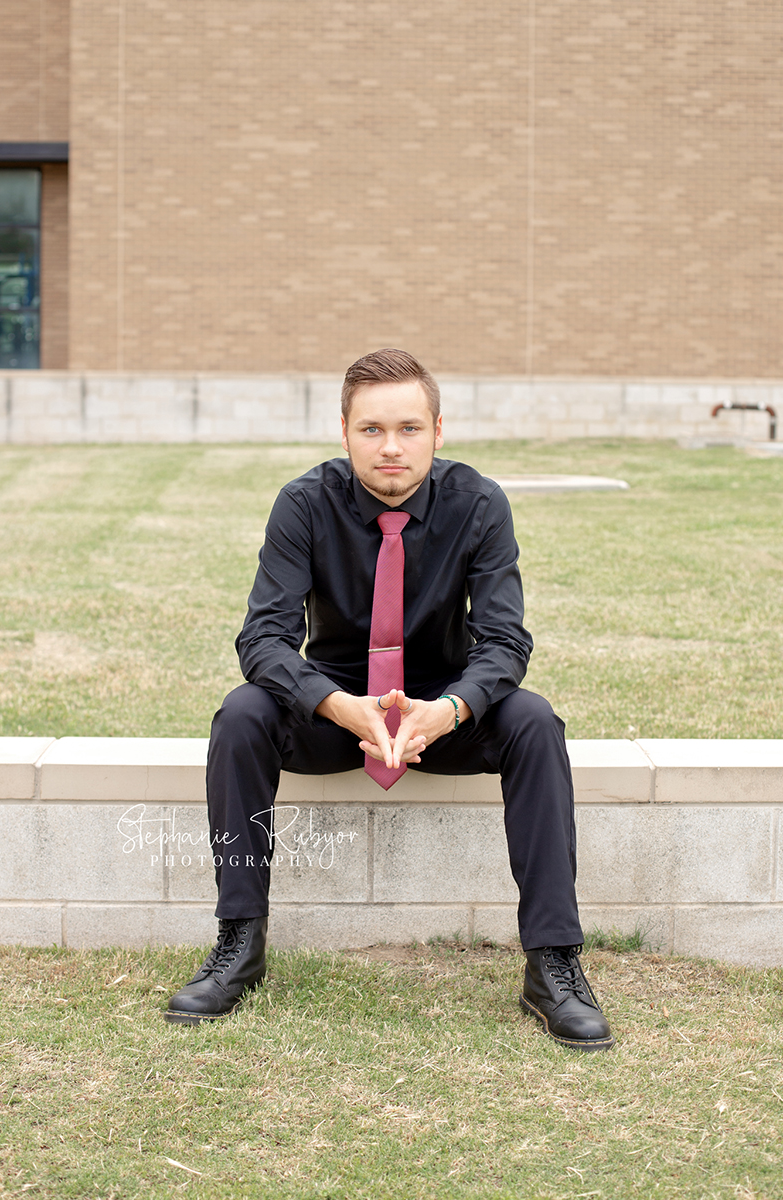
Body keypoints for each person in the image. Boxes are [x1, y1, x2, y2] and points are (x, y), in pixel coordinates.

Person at [165, 348, 614, 1051]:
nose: (392, 447)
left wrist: (452, 709)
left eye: (409, 427)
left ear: (440, 430)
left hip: (441, 715)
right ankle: (239, 944)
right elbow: (264, 639)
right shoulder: (304, 504)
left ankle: (552, 963)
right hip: (336, 714)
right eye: (372, 430)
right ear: (343, 433)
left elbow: (504, 642)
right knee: (242, 712)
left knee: (532, 718)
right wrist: (340, 706)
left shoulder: (480, 504)